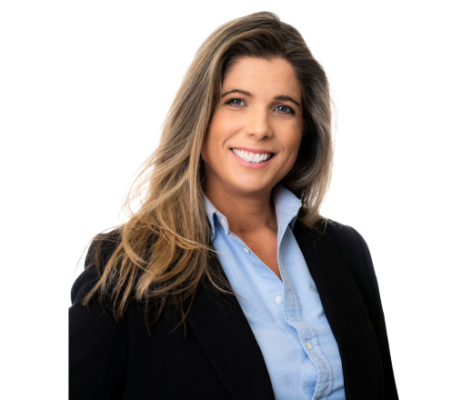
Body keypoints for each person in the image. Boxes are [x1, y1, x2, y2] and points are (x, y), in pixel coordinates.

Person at [68, 11, 399, 400]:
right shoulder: (127, 263)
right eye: (236, 101)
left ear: (305, 128)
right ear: (200, 116)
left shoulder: (346, 249)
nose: (260, 128)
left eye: (283, 108)